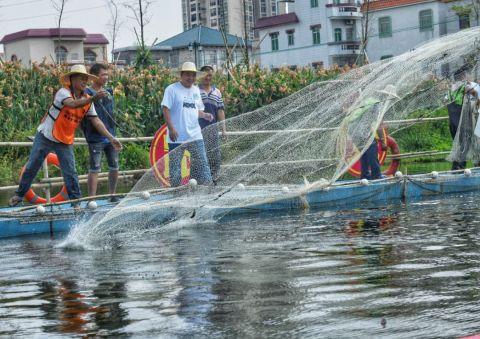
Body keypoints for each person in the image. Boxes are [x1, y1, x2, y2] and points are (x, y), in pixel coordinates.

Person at [8, 64, 122, 208]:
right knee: (32, 166)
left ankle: (76, 204)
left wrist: (111, 138)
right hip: (46, 136)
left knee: (70, 172)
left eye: (86, 79)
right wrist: (92, 99)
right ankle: (19, 195)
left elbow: (96, 120)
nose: (84, 82)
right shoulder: (63, 92)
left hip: (65, 139)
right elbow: (72, 104)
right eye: (81, 78)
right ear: (72, 79)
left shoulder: (87, 99)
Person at [161, 62, 214, 187]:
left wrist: (205, 115)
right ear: (181, 75)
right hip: (177, 136)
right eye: (187, 75)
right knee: (175, 170)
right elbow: (165, 109)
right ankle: (176, 193)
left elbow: (196, 110)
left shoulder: (196, 90)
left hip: (195, 134)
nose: (190, 78)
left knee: (202, 164)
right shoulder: (172, 89)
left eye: (193, 75)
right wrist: (171, 128)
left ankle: (206, 189)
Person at [81, 63, 120, 202]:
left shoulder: (109, 91)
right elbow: (89, 116)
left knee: (114, 165)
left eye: (107, 74)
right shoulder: (87, 93)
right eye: (103, 74)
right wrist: (95, 98)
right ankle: (91, 200)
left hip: (111, 135)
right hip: (95, 137)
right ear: (94, 76)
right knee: (95, 168)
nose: (106, 77)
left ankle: (112, 195)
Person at [446, 66, 479, 170]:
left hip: (452, 123)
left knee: (458, 146)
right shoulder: (465, 86)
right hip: (462, 122)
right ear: (462, 76)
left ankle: (456, 169)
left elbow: (445, 102)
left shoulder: (450, 89)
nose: (467, 77)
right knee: (464, 145)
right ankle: (459, 168)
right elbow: (475, 94)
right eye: (466, 75)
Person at [198, 65, 226, 183]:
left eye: (209, 75)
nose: (207, 77)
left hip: (213, 130)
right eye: (205, 75)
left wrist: (224, 129)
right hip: (198, 131)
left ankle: (215, 182)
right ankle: (201, 182)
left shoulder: (217, 92)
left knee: (214, 156)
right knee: (200, 157)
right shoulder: (195, 90)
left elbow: (220, 111)